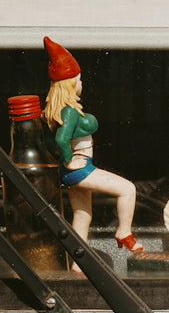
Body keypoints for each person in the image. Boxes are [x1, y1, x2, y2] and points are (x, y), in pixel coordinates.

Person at [41, 36, 144, 266]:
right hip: (79, 169)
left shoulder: (54, 112)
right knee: (127, 189)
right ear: (69, 84)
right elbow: (60, 140)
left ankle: (78, 264)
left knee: (83, 214)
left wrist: (63, 160)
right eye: (79, 80)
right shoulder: (68, 112)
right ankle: (124, 232)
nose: (81, 84)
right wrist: (68, 160)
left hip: (72, 171)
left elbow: (51, 142)